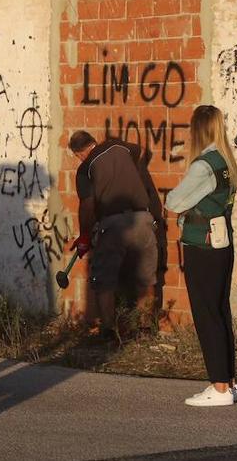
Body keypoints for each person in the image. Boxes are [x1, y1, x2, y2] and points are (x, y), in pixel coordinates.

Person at [164, 105, 237, 407]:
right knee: (220, 312)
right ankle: (229, 382)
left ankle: (219, 387)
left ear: (198, 129)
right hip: (223, 244)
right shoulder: (226, 161)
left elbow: (174, 201)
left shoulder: (203, 166)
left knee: (206, 315)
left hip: (203, 246)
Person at [67, 130, 161, 340]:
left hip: (113, 224)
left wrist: (84, 236)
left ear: (78, 153)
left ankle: (109, 332)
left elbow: (87, 207)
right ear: (94, 142)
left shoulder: (85, 169)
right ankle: (146, 329)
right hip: (143, 219)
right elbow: (142, 151)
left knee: (104, 281)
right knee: (146, 279)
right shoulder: (119, 147)